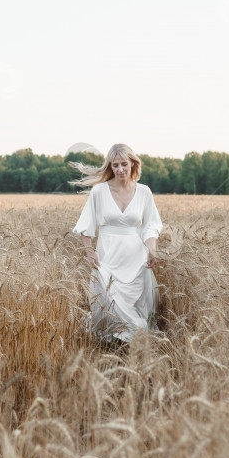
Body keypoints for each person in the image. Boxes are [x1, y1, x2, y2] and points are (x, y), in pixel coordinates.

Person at [69, 143, 163, 345]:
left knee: (136, 311)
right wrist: (89, 251)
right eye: (115, 165)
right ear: (110, 167)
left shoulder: (144, 192)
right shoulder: (99, 191)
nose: (120, 169)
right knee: (108, 304)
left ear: (133, 164)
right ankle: (108, 348)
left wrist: (152, 248)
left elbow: (150, 226)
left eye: (124, 164)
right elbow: (85, 225)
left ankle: (132, 351)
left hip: (136, 260)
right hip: (107, 258)